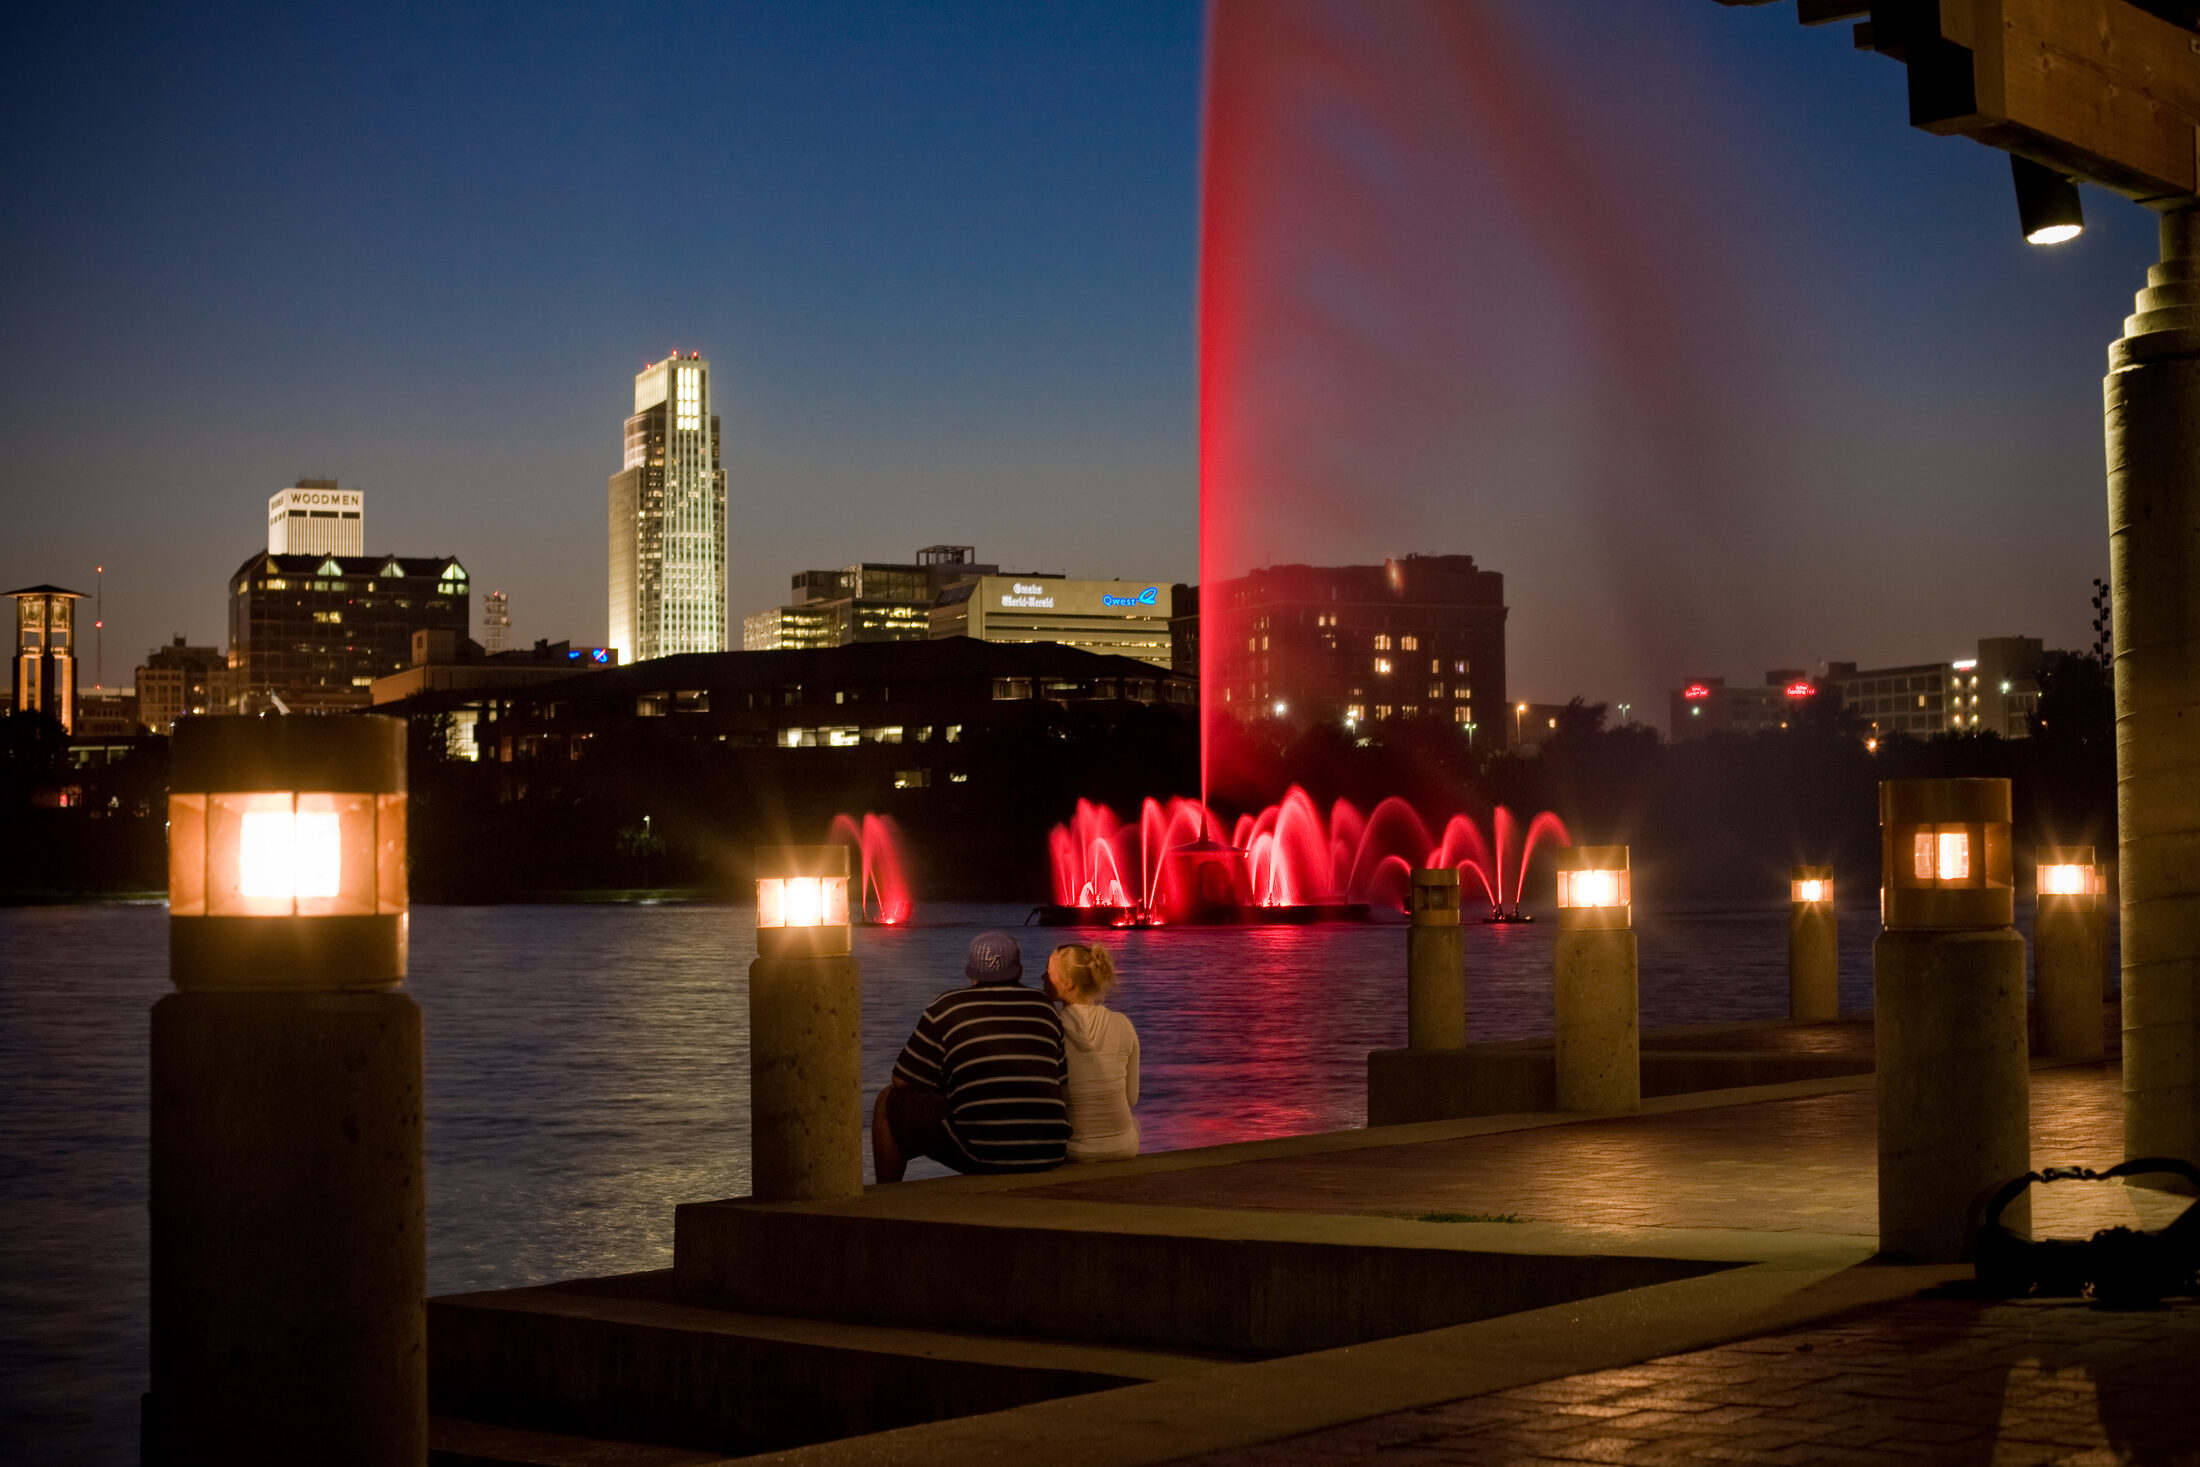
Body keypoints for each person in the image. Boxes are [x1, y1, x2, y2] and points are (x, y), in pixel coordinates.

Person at [872, 931, 1069, 1181]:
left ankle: (887, 1198)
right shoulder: (1043, 1006)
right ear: (1018, 972)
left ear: (972, 974)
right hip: (1050, 1150)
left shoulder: (947, 1007)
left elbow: (902, 1080)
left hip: (983, 1152)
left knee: (887, 1101)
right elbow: (1059, 1080)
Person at [1046, 942, 1140, 1163]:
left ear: (1068, 984)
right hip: (1124, 1145)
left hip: (1072, 1148)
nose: (1043, 976)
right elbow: (1131, 1098)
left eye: (1049, 973)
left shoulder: (1052, 1028)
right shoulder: (1122, 1024)